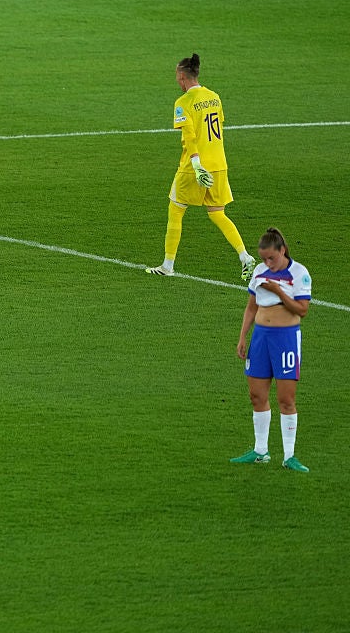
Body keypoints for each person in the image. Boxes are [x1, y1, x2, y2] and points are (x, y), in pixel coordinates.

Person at [146, 53, 256, 279]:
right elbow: (218, 129)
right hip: (219, 164)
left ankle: (168, 265)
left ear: (183, 77)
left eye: (177, 77)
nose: (177, 81)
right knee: (217, 213)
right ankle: (245, 256)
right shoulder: (214, 97)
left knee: (175, 210)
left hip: (195, 167)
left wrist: (197, 166)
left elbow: (190, 137)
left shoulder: (183, 102)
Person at [232, 228, 312, 472]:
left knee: (286, 398)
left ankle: (289, 456)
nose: (267, 263)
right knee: (256, 396)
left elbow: (302, 309)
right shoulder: (258, 271)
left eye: (271, 258)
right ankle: (260, 451)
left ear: (282, 251)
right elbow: (251, 307)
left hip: (285, 339)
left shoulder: (299, 273)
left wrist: (278, 292)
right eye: (264, 258)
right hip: (261, 338)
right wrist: (243, 337)